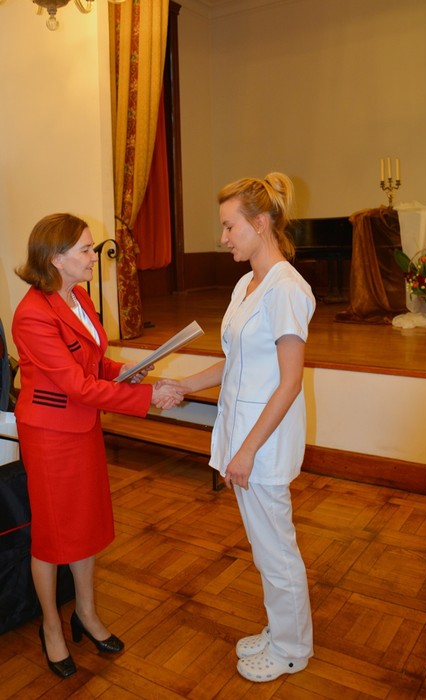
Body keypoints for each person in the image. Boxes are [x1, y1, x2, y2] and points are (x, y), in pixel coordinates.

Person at [12, 213, 183, 679]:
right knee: (53, 535)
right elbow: (74, 385)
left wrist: (125, 371)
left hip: (81, 425)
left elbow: (90, 363)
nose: (94, 257)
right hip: (50, 434)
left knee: (84, 524)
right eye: (86, 250)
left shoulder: (80, 296)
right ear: (56, 259)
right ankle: (51, 626)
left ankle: (85, 614)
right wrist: (147, 398)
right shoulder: (32, 313)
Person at [175, 173, 315, 682]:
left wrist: (248, 451)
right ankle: (280, 630)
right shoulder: (246, 284)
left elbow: (290, 382)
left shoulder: (286, 289)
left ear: (260, 224)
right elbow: (233, 361)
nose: (223, 238)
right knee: (264, 546)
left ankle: (293, 648)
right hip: (243, 436)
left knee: (277, 550)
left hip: (263, 445)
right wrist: (183, 385)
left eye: (229, 226)